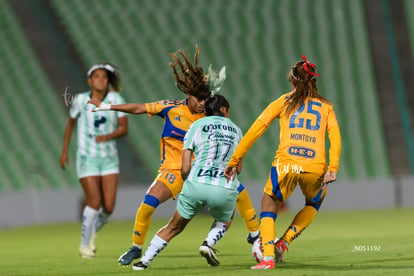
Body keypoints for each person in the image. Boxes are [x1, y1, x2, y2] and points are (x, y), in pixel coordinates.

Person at [88, 46, 259, 266]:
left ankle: (254, 235)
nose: (202, 103)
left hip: (199, 173)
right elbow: (139, 108)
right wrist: (106, 106)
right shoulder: (170, 108)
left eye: (205, 99)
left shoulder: (208, 117)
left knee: (238, 189)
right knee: (148, 205)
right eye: (198, 98)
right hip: (173, 171)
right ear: (188, 95)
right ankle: (136, 248)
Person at [225, 55, 341, 269]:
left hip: (286, 164)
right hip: (315, 167)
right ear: (314, 81)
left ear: (293, 80)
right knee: (314, 203)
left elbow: (255, 130)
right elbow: (335, 138)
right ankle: (283, 242)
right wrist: (332, 167)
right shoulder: (326, 107)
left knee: (268, 205)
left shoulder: (283, 101)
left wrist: (235, 159)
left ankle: (268, 257)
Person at [132, 94, 243, 270]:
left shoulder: (196, 125)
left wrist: (185, 185)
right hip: (222, 187)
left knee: (174, 226)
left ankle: (143, 262)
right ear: (223, 110)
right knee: (227, 218)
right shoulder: (237, 130)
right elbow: (238, 168)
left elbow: (185, 167)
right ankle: (208, 243)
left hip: (196, 183)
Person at [60, 63, 129, 258]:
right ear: (90, 80)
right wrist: (64, 151)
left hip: (109, 158)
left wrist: (108, 136)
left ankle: (92, 233)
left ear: (108, 81)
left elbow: (124, 128)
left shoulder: (116, 99)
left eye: (104, 77)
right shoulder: (81, 100)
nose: (101, 80)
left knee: (108, 207)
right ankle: (84, 245)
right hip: (86, 157)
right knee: (94, 201)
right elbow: (70, 124)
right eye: (97, 76)